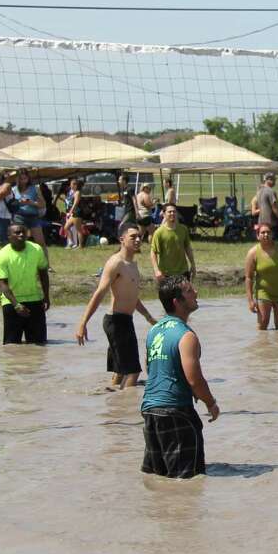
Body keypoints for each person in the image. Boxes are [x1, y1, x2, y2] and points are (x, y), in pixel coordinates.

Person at [140, 275, 220, 479]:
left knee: (160, 479)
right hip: (176, 413)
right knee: (187, 481)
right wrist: (211, 403)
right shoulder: (186, 336)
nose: (196, 293)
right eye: (189, 291)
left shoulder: (154, 331)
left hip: (150, 412)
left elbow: (152, 369)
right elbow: (195, 379)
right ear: (177, 301)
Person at [74, 223, 157, 388]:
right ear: (122, 239)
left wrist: (149, 317)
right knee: (133, 371)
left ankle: (114, 403)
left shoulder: (132, 264)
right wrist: (83, 323)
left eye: (139, 236)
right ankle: (127, 407)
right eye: (133, 237)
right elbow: (99, 293)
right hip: (116, 322)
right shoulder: (115, 263)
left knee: (120, 371)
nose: (138, 240)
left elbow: (133, 297)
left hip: (126, 320)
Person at [0, 221, 51, 345]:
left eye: (23, 232)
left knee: (40, 344)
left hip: (35, 300)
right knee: (12, 346)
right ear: (9, 236)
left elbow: (43, 274)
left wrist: (46, 297)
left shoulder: (36, 249)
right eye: (17, 233)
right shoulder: (2, 256)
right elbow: (3, 284)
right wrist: (16, 305)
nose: (21, 235)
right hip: (12, 303)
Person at [150, 204, 195, 282]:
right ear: (164, 214)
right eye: (169, 212)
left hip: (183, 272)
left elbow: (187, 248)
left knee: (185, 294)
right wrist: (156, 270)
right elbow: (153, 252)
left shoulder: (183, 229)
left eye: (174, 212)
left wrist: (193, 264)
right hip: (165, 274)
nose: (172, 214)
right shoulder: (159, 232)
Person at [11, 169, 49, 259]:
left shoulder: (35, 189)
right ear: (18, 179)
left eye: (25, 178)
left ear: (28, 178)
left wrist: (31, 202)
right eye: (21, 178)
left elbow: (43, 204)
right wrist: (17, 202)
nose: (23, 180)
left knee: (40, 242)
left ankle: (46, 265)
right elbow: (10, 204)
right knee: (20, 242)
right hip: (18, 217)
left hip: (33, 217)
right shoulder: (13, 190)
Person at [255, 172, 278, 243]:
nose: (275, 182)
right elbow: (274, 208)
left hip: (261, 223)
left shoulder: (259, 191)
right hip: (271, 223)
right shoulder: (270, 191)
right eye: (274, 180)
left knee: (265, 246)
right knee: (277, 246)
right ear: (268, 180)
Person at [63, 178, 84, 249]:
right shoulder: (73, 192)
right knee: (66, 227)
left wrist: (70, 212)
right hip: (73, 214)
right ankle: (71, 242)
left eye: (72, 184)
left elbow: (75, 203)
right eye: (71, 184)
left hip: (77, 213)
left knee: (79, 230)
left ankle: (80, 246)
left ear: (76, 185)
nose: (71, 185)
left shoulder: (77, 192)